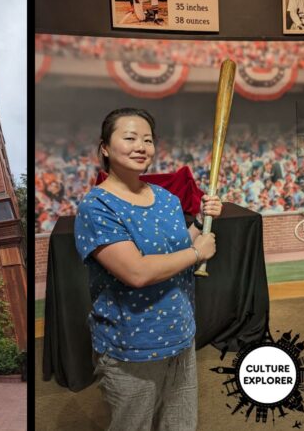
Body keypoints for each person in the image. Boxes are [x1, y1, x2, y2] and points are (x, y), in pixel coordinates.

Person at [74, 108, 222, 430]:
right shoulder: (97, 206)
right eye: (129, 138)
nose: (141, 146)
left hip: (180, 334)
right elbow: (136, 272)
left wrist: (199, 222)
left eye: (147, 140)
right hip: (132, 346)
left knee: (180, 424)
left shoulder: (167, 199)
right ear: (105, 147)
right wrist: (197, 253)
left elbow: (176, 249)